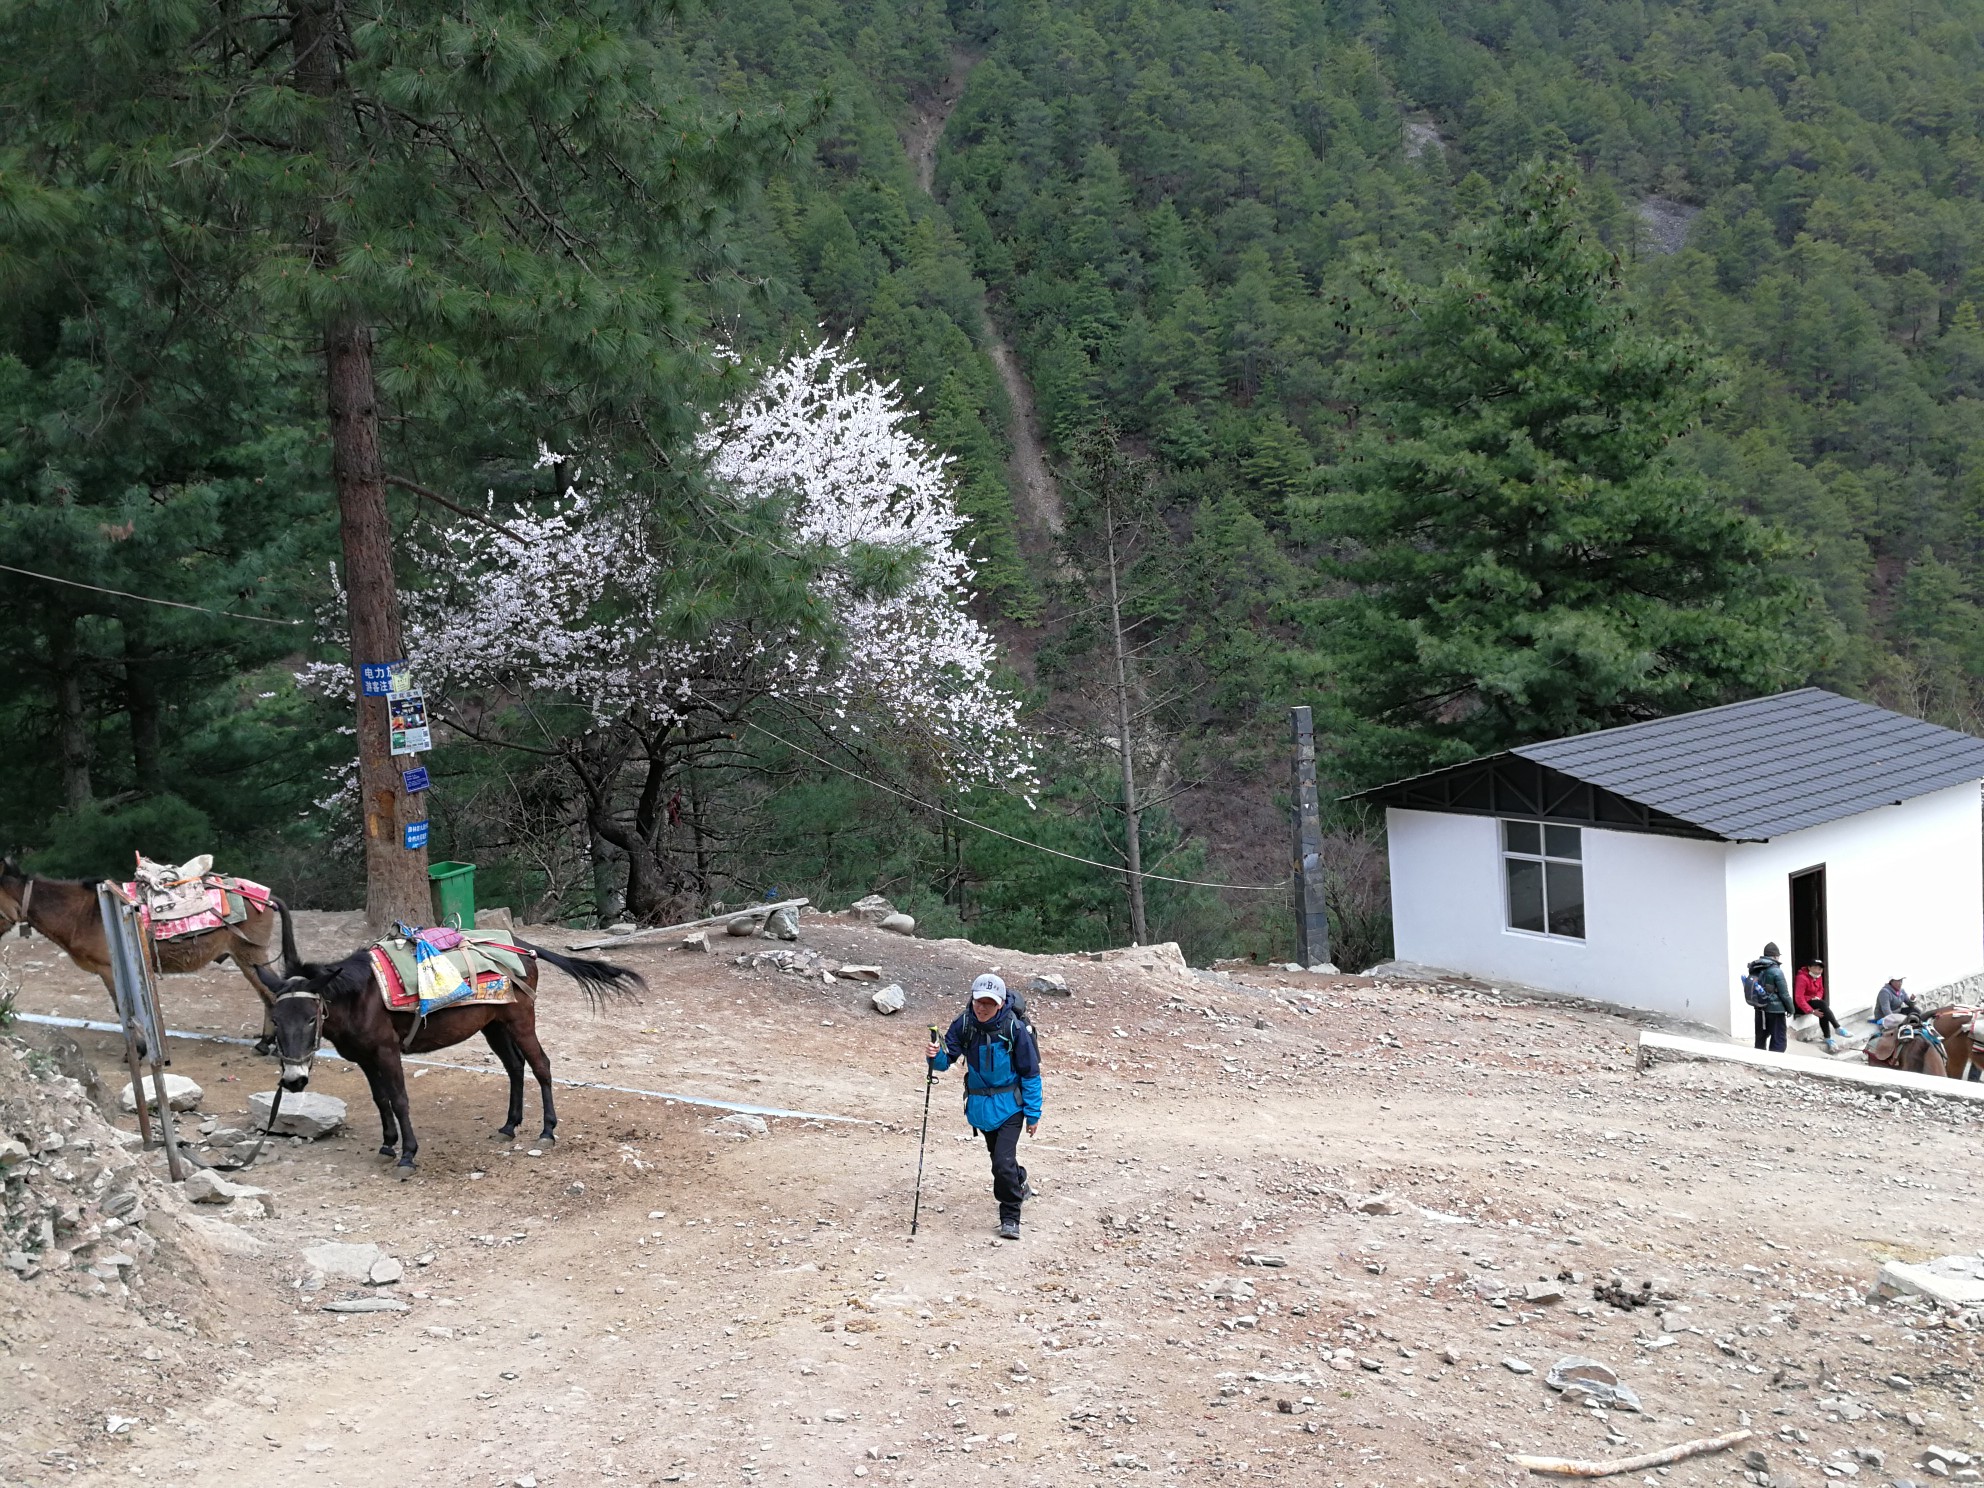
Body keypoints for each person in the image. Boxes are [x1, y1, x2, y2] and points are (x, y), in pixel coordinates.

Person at [927, 973, 1042, 1240]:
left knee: (1002, 1163)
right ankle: (1020, 1180)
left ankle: (1010, 1216)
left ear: (1000, 1004)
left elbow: (1031, 1074)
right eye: (979, 1001)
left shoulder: (1014, 1030)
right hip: (981, 1107)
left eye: (989, 1003)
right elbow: (946, 1061)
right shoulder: (964, 1023)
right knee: (1001, 1161)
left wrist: (1033, 1114)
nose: (982, 1008)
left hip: (1012, 1106)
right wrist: (934, 1055)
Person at [1746, 941, 1794, 1053]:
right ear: (1776, 956)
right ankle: (1775, 1063)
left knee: (1760, 1038)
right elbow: (1784, 994)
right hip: (1775, 1011)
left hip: (1759, 1007)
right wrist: (1791, 1009)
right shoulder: (1776, 970)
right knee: (1778, 1039)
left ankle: (1759, 1062)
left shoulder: (1755, 967)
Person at [1794, 958, 1841, 1050]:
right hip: (1802, 1005)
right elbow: (1799, 998)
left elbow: (1820, 990)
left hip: (1813, 1001)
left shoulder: (1818, 976)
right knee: (1823, 1005)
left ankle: (1828, 1037)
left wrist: (1818, 997)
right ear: (1809, 968)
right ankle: (1837, 1027)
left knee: (1822, 1008)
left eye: (1820, 968)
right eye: (1816, 967)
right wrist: (1811, 1011)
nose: (1818, 970)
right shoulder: (1802, 978)